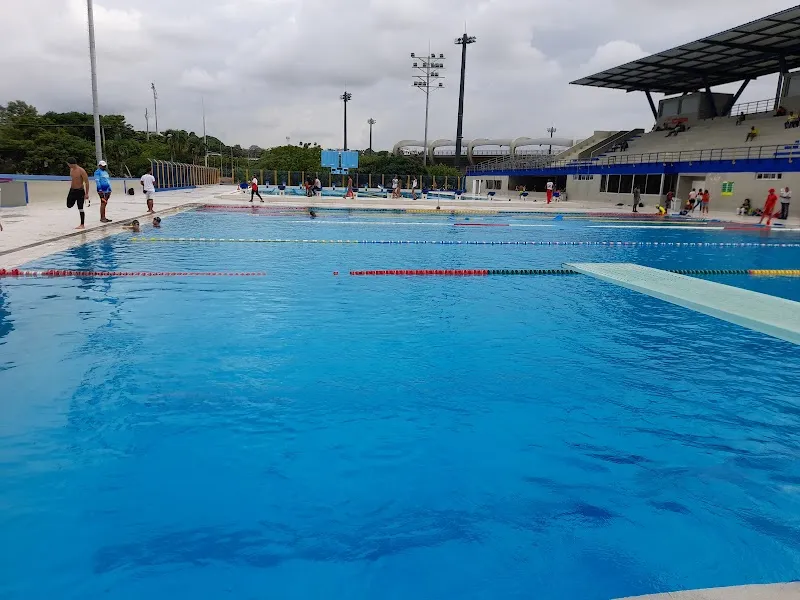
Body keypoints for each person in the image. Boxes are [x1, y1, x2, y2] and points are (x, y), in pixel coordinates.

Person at [67, 157, 90, 230]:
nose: (68, 165)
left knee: (80, 208)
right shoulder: (71, 169)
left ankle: (82, 224)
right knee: (69, 205)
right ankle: (75, 201)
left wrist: (86, 193)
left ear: (71, 164)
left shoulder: (81, 171)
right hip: (72, 190)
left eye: (68, 164)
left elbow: (87, 182)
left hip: (80, 191)